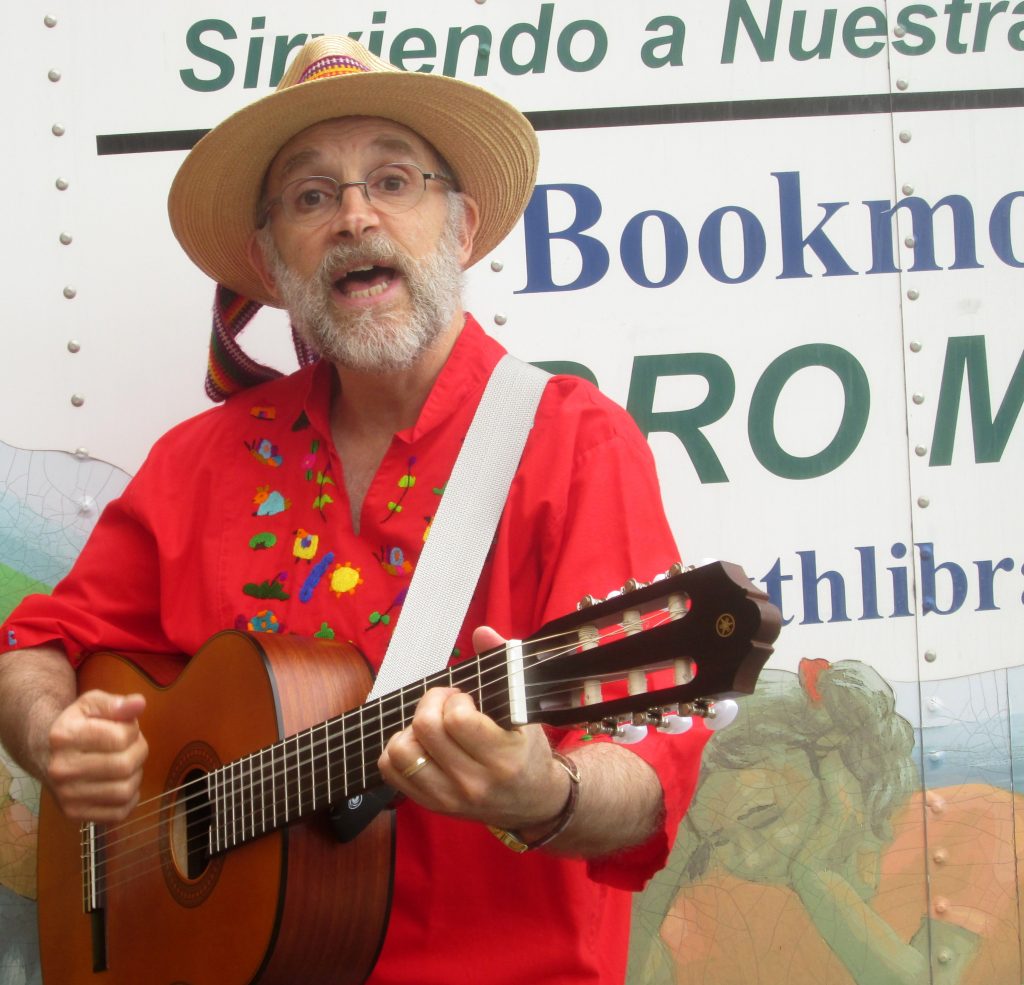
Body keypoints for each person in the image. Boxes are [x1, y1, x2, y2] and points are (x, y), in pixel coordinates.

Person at [0, 35, 708, 985]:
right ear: (270, 258)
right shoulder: (200, 462)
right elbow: (32, 646)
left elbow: (652, 765)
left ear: (458, 228)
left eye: (394, 180)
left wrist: (548, 790)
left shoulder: (575, 444)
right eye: (311, 195)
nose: (354, 216)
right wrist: (53, 738)